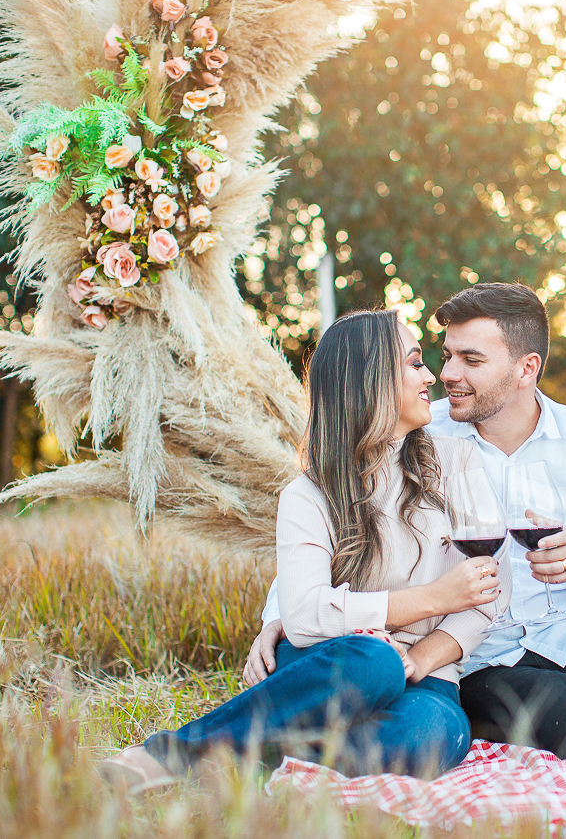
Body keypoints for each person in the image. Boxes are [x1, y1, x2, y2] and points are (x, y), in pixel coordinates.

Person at [247, 284, 566, 758]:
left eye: (472, 360)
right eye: (445, 356)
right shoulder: (419, 430)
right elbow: (338, 519)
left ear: (527, 368)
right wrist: (280, 617)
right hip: (473, 653)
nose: (447, 374)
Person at [100, 310, 504, 792]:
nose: (430, 376)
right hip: (339, 664)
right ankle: (169, 756)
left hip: (431, 679)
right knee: (373, 662)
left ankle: (249, 758)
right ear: (369, 379)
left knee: (432, 735)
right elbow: (307, 617)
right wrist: (433, 600)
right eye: (415, 364)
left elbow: (488, 595)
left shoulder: (457, 463)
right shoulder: (308, 494)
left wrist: (418, 657)